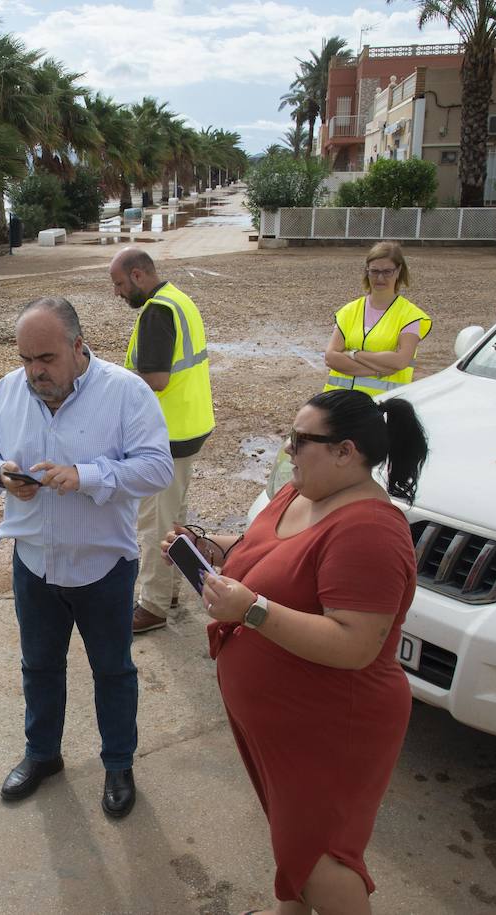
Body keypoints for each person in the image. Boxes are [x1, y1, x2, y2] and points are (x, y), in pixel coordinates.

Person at [165, 388, 428, 915]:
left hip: (333, 722)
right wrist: (220, 548)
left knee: (321, 858)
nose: (287, 449)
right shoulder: (303, 491)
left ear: (345, 451)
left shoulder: (370, 531)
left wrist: (252, 610)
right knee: (294, 838)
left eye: (301, 440)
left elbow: (355, 643)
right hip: (282, 718)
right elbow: (268, 547)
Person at [0, 296, 172, 819]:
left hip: (103, 566)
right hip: (35, 563)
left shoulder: (126, 393)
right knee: (38, 666)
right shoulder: (7, 393)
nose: (35, 372)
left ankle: (119, 764)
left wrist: (88, 476)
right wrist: (1, 475)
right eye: (25, 360)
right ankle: (42, 755)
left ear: (78, 347)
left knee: (112, 670)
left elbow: (156, 469)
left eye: (46, 359)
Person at [109, 247, 215, 635]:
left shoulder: (157, 311)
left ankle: (152, 606)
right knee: (174, 519)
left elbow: (156, 379)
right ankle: (169, 591)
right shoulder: (179, 299)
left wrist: (113, 384)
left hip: (167, 435)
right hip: (190, 425)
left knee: (155, 523)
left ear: (138, 276)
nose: (117, 293)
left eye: (119, 284)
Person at [323, 240, 431, 396]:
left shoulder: (410, 316)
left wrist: (353, 354)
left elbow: (401, 360)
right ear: (367, 271)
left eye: (387, 271)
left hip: (382, 405)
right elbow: (331, 358)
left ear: (399, 270)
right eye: (374, 271)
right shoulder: (349, 311)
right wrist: (378, 370)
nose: (380, 278)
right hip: (340, 404)